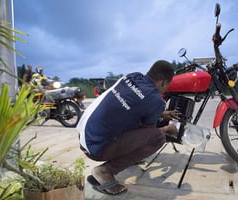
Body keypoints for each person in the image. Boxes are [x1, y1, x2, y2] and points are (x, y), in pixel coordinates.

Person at [77, 60, 180, 195]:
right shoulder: (156, 100)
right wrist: (167, 129)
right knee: (158, 138)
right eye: (168, 85)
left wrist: (161, 114)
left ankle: (127, 159)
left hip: (84, 135)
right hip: (96, 149)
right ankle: (105, 171)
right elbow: (147, 132)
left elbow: (132, 107)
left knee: (141, 130)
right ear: (164, 82)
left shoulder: (132, 76)